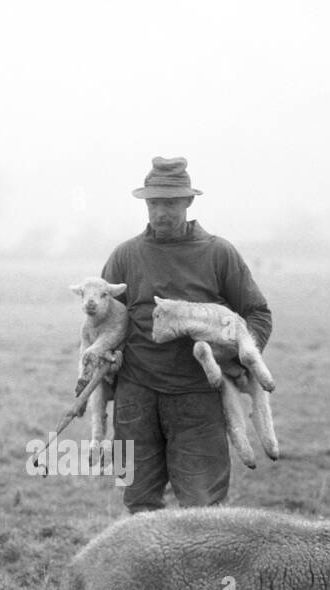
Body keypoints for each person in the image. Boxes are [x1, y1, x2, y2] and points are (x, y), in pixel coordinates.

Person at [100, 156, 272, 512]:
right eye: (153, 203)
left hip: (199, 400)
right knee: (138, 503)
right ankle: (145, 568)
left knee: (202, 509)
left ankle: (203, 569)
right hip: (136, 401)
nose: (161, 212)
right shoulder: (125, 256)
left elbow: (257, 315)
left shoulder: (218, 254)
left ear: (189, 202)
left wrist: (237, 355)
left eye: (171, 203)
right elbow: (105, 320)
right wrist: (102, 357)